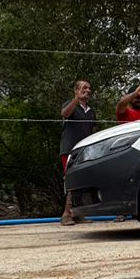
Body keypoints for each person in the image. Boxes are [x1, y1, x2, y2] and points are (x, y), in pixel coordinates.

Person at [58, 79, 96, 225]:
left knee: (83, 180)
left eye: (89, 88)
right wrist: (76, 99)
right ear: (76, 90)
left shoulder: (91, 111)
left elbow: (92, 131)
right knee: (71, 180)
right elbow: (65, 114)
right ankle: (66, 214)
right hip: (69, 150)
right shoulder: (70, 105)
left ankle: (78, 213)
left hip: (86, 151)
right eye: (84, 88)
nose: (87, 90)